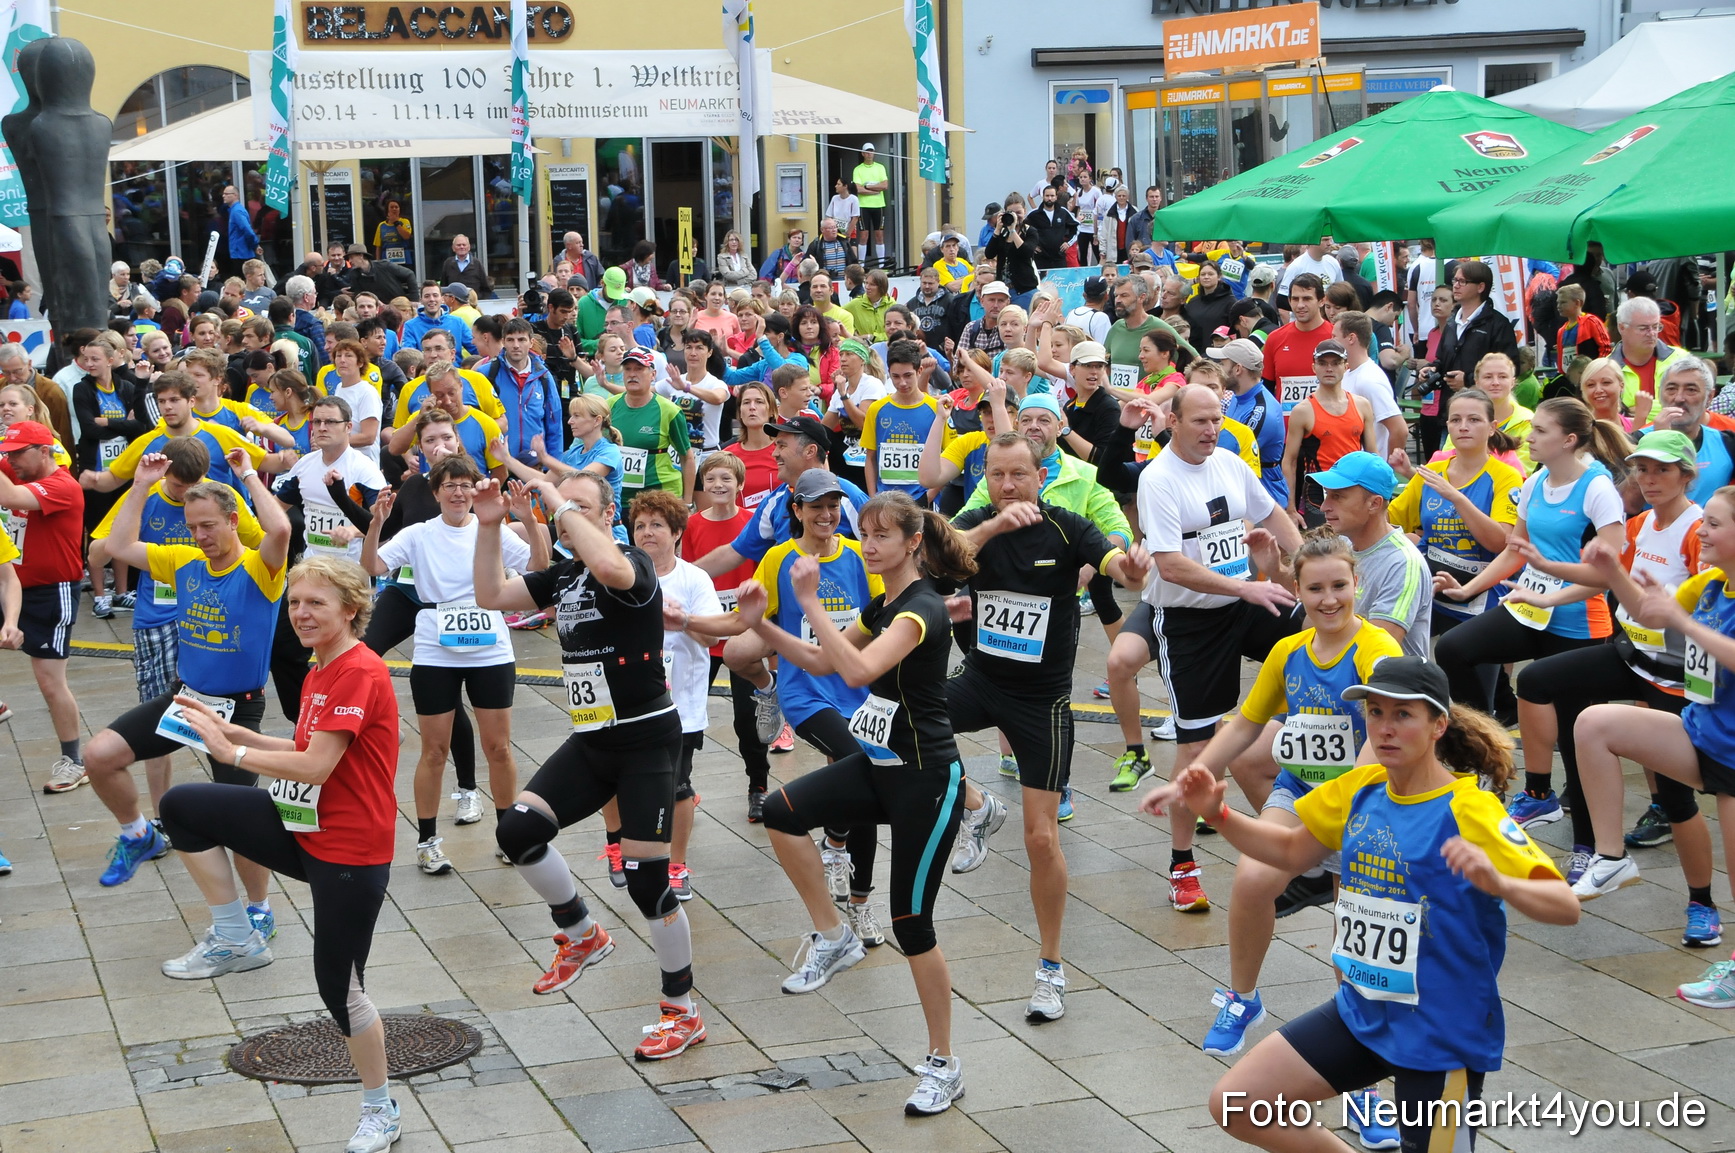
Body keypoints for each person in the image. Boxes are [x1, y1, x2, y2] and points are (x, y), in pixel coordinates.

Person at [1152, 656, 1576, 1153]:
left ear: (1439, 725)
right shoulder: (1361, 788)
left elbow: (1564, 906)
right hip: (1363, 1012)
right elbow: (1288, 850)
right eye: (1375, 713)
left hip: (1440, 1032)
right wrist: (1219, 814)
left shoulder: (1470, 809)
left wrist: (1501, 883)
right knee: (1237, 1102)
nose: (1385, 728)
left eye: (1403, 715)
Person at [157, 555, 406, 1153]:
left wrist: (233, 754)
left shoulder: (359, 671)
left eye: (316, 603)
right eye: (294, 602)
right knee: (184, 806)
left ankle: (381, 1109)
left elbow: (316, 766)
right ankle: (235, 935)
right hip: (303, 828)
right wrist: (236, 733)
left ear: (351, 609)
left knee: (339, 989)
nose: (301, 613)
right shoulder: (321, 667)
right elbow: (302, 744)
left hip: (350, 851)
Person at [739, 491, 977, 1115]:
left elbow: (857, 671)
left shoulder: (921, 610)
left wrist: (811, 602)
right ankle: (834, 934)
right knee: (780, 811)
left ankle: (944, 1064)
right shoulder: (883, 604)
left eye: (881, 536)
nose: (867, 545)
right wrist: (763, 625)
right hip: (878, 766)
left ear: (913, 543)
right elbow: (821, 660)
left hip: (926, 780)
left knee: (912, 925)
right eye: (864, 533)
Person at [1149, 530, 1402, 1065]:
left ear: (1357, 583)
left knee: (1352, 926)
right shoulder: (1288, 651)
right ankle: (1243, 998)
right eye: (1316, 589)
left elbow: (1382, 737)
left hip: (1364, 804)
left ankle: (1359, 1050)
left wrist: (1336, 810)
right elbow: (1244, 726)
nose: (1329, 599)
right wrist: (1187, 777)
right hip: (1299, 790)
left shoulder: (1377, 649)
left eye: (1339, 586)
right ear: (1297, 590)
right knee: (1250, 881)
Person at [476, 470, 705, 1059]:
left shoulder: (633, 563)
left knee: (648, 881)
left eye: (581, 507)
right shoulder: (565, 574)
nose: (566, 516)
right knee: (517, 830)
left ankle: (681, 1011)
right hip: (592, 740)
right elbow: (490, 596)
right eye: (564, 508)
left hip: (646, 741)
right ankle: (582, 934)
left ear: (608, 516)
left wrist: (557, 501)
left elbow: (608, 566)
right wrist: (489, 525)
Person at [945, 434, 1152, 1021]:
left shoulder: (1065, 526)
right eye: (996, 474)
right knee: (896, 720)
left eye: (1019, 474)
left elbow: (1112, 561)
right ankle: (977, 805)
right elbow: (937, 552)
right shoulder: (976, 521)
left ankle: (1051, 968)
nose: (1008, 485)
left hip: (1042, 704)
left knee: (1041, 839)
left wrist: (1129, 566)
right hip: (981, 680)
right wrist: (992, 526)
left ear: (1041, 477)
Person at [1102, 386, 1303, 911]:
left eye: (1217, 419)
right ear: (1173, 421)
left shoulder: (1231, 464)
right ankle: (1182, 865)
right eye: (1200, 421)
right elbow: (1170, 566)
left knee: (1317, 630)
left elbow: (1272, 513)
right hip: (1190, 621)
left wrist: (1309, 563)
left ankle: (1311, 783)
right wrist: (1244, 586)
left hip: (1244, 601)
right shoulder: (1158, 479)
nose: (1212, 430)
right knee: (1196, 750)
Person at [79, 449, 288, 902]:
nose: (199, 536)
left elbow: (281, 530)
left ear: (233, 521)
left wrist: (248, 475)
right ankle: (139, 835)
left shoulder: (260, 567)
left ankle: (258, 907)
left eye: (208, 526)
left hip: (236, 710)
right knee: (98, 756)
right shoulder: (183, 559)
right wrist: (140, 484)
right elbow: (118, 547)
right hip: (185, 699)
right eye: (192, 527)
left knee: (242, 824)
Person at [1520, 432, 1710, 905]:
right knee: (1538, 680)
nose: (1649, 479)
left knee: (1675, 797)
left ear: (1687, 476)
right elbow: (1606, 579)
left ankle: (1702, 902)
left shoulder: (1698, 530)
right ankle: (1555, 810)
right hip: (1631, 657)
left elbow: (1689, 610)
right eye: (1642, 469)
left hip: (1677, 676)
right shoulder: (1640, 523)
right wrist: (1547, 578)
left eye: (1662, 470)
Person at [1434, 398, 1631, 819]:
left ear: (1569, 440)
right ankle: (1485, 753)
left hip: (1578, 620)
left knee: (1574, 730)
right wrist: (1467, 590)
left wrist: (1550, 591)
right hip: (1529, 608)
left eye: (1540, 430)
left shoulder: (1597, 488)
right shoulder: (1537, 480)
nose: (1528, 437)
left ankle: (1578, 818)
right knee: (1453, 649)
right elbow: (1515, 550)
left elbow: (1610, 571)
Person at [364, 453, 542, 876]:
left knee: (499, 747)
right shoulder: (418, 534)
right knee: (434, 750)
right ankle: (427, 842)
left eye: (465, 485)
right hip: (435, 647)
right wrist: (375, 524)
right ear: (437, 492)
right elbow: (373, 565)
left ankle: (508, 835)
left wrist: (529, 521)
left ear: (475, 491)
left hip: (490, 647)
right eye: (450, 486)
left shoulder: (491, 529)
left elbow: (538, 567)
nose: (458, 493)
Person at [1388, 388, 1526, 649]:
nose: (1463, 426)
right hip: (1432, 586)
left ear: (1492, 427)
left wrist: (1457, 498)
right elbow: (1389, 521)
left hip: (1483, 593)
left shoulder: (1506, 476)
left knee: (1463, 662)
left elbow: (1500, 542)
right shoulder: (1432, 472)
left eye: (1474, 420)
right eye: (1455, 420)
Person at [0, 421, 89, 793]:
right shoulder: (20, 469)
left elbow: (10, 498)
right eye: (7, 454)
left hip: (52, 592)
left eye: (17, 454)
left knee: (50, 682)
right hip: (11, 583)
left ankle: (74, 761)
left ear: (44, 451)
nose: (11, 461)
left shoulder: (62, 485)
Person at [1281, 339, 1376, 528]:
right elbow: (1289, 461)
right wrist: (1290, 508)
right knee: (1324, 544)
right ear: (1314, 368)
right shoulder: (1303, 411)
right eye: (1323, 363)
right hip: (1319, 494)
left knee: (1356, 544)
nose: (1329, 369)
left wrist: (1378, 494)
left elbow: (1373, 456)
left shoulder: (1362, 405)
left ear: (1346, 367)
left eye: (1335, 363)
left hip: (1354, 488)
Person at [1211, 339, 1287, 507]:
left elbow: (1228, 454)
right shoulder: (1239, 396)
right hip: (1244, 492)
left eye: (1222, 364)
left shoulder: (1260, 410)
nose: (1219, 370)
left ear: (1238, 369)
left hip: (1263, 498)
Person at [1260, 273, 1333, 417]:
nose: (1300, 305)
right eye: (1295, 299)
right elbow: (1266, 389)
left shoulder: (1336, 337)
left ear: (1321, 301)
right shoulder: (1275, 338)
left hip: (1328, 425)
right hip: (1287, 427)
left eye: (1307, 299)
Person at [851, 144, 890, 268]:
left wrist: (867, 186)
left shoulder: (880, 167)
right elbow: (858, 189)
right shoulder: (858, 169)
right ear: (862, 153)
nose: (869, 154)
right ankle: (861, 266)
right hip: (863, 206)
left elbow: (885, 185)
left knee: (879, 235)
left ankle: (881, 265)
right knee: (864, 235)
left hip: (879, 205)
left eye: (871, 151)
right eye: (867, 152)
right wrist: (874, 190)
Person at [438, 234, 492, 299]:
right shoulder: (448, 264)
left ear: (469, 247)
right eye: (458, 245)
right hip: (453, 303)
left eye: (464, 245)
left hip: (473, 303)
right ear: (453, 248)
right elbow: (443, 287)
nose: (462, 247)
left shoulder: (477, 264)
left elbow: (486, 289)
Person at [371, 199, 413, 266]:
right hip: (387, 261)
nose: (394, 209)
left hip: (404, 260)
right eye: (391, 207)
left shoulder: (405, 221)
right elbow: (378, 246)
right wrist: (378, 262)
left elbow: (406, 236)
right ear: (387, 210)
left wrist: (396, 223)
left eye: (396, 207)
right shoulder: (381, 225)